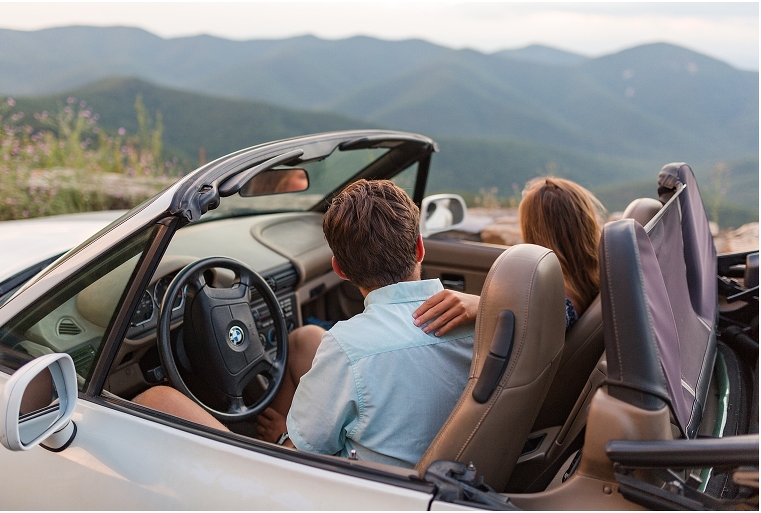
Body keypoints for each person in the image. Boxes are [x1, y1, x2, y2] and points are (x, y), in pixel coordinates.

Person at [137, 179, 474, 469]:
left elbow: (300, 457)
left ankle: (266, 439)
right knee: (305, 339)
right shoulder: (480, 319)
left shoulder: (348, 348)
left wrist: (284, 435)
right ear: (419, 248)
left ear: (339, 269)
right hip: (439, 468)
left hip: (358, 489)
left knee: (158, 398)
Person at [413, 177, 605, 336]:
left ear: (534, 234)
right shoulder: (588, 286)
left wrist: (482, 306)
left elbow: (549, 317)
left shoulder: (564, 302)